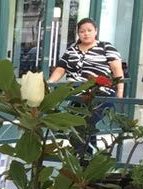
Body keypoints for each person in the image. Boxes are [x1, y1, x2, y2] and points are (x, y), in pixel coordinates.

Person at [48, 18, 124, 155]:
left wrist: (120, 93)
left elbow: (117, 71)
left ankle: (87, 158)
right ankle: (89, 159)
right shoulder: (71, 50)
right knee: (80, 127)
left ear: (96, 31)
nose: (86, 34)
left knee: (83, 125)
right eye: (82, 31)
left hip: (101, 94)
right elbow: (61, 68)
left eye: (89, 30)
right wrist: (50, 83)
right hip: (78, 97)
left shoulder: (106, 47)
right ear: (78, 33)